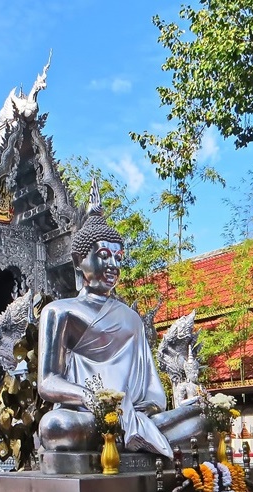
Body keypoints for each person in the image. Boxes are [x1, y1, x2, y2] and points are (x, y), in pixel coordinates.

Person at [37, 179, 205, 459]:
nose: (113, 265)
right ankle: (133, 435)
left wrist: (140, 410)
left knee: (201, 418)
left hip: (131, 415)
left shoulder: (131, 318)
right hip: (84, 416)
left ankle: (136, 433)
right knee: (56, 426)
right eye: (103, 255)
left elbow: (153, 395)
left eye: (118, 257)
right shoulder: (59, 311)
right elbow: (48, 382)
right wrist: (93, 399)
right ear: (79, 261)